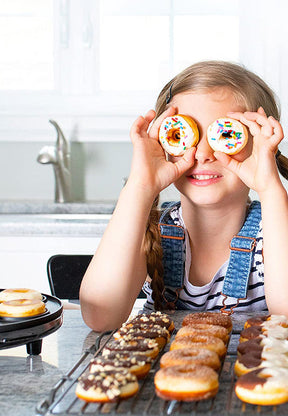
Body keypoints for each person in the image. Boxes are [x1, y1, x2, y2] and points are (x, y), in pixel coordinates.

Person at [79, 60, 288, 332]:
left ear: (261, 144)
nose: (202, 153)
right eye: (182, 135)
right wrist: (141, 185)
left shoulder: (276, 228)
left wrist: (270, 188)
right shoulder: (152, 231)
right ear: (162, 145)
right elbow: (100, 317)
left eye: (224, 135)